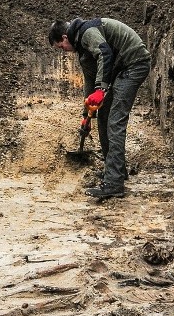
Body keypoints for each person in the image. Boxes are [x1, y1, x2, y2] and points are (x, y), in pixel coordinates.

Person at [49, 17, 151, 201]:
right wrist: (86, 116)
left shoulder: (87, 32)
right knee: (103, 117)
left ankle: (114, 184)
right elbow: (90, 82)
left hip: (134, 62)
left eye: (61, 47)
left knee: (115, 121)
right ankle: (115, 172)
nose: (63, 51)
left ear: (65, 37)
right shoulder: (82, 50)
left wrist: (102, 89)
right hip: (120, 69)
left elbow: (105, 53)